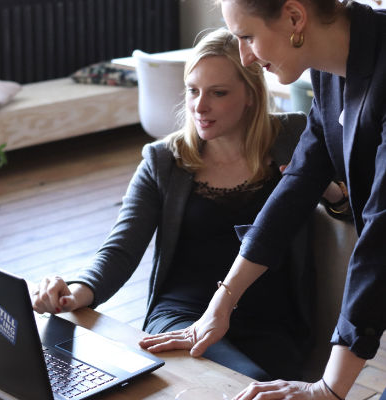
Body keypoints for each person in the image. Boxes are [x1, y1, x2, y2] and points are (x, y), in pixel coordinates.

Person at [31, 28, 320, 381]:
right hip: (182, 315)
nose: (200, 106)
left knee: (252, 381)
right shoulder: (164, 160)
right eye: (193, 90)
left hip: (271, 319)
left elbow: (352, 211)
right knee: (240, 381)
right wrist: (76, 292)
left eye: (218, 93)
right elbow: (121, 248)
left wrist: (332, 193)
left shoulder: (293, 138)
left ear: (250, 94)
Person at [139, 1, 386, 399]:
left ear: (294, 17)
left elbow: (380, 236)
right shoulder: (330, 73)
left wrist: (329, 389)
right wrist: (222, 302)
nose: (245, 56)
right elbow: (298, 184)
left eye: (248, 37)